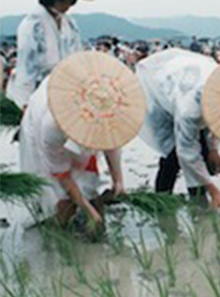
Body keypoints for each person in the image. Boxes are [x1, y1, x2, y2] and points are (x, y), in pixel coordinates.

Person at [19, 51, 144, 229]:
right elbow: (62, 174)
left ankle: (93, 229)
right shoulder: (51, 127)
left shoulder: (107, 109)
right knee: (61, 195)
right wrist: (86, 209)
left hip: (85, 106)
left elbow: (111, 144)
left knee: (89, 183)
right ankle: (58, 230)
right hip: (40, 126)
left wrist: (118, 181)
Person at [136, 49, 220, 212]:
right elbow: (187, 153)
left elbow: (217, 122)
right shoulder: (189, 110)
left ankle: (199, 202)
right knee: (173, 156)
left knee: (203, 151)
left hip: (184, 78)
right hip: (157, 94)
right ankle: (163, 201)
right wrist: (213, 189)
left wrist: (214, 148)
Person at [7, 0, 95, 109]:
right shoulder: (33, 25)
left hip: (66, 94)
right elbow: (26, 69)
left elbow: (78, 58)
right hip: (39, 97)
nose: (69, 5)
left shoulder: (70, 24)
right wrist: (25, 105)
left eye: (73, 0)